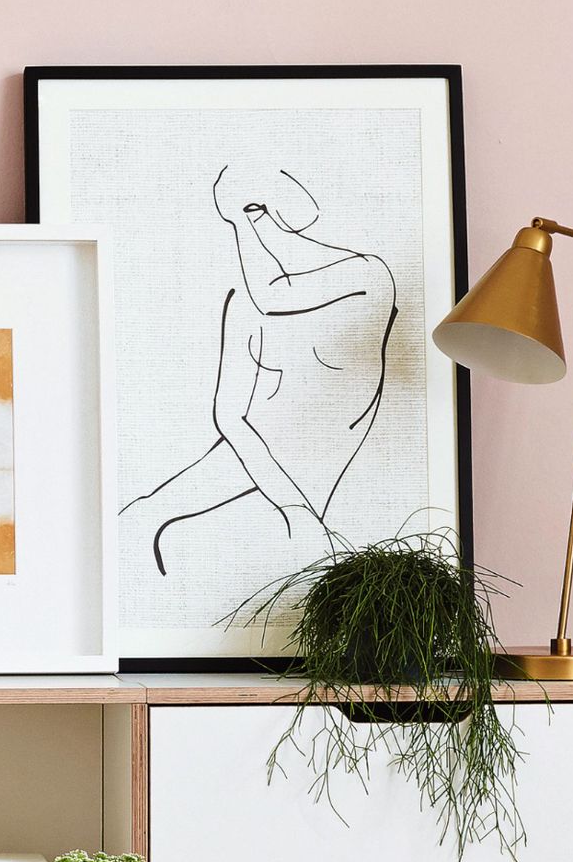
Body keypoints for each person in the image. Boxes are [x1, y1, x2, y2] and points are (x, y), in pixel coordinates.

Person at [122, 163, 398, 577]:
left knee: (298, 565)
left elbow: (273, 293)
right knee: (142, 517)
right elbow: (228, 415)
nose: (247, 232)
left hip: (317, 461)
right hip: (256, 449)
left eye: (252, 213)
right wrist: (289, 503)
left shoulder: (367, 276)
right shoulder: (244, 305)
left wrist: (296, 509)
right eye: (233, 219)